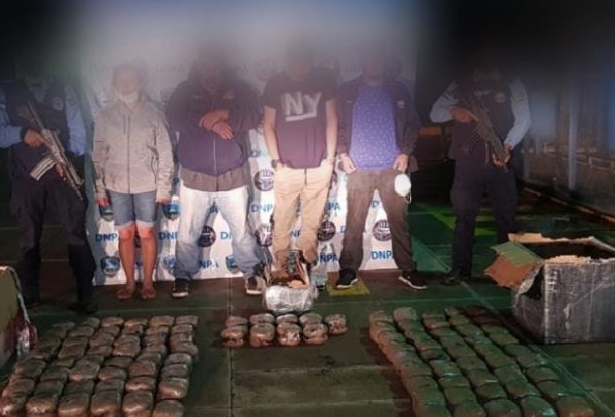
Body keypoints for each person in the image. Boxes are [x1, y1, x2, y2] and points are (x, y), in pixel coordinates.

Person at [0, 50, 97, 314]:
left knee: (75, 234)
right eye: (29, 62)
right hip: (26, 176)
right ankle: (30, 295)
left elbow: (79, 132)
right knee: (28, 238)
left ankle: (85, 294)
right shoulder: (7, 93)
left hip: (61, 174)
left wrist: (66, 159)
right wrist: (22, 134)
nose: (35, 67)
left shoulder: (63, 90)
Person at [166, 44, 266, 298]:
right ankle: (182, 276)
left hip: (232, 175)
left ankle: (251, 273)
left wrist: (226, 114)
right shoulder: (185, 89)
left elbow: (254, 115)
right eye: (206, 65)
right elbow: (174, 117)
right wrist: (206, 122)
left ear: (223, 66)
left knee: (241, 232)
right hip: (195, 177)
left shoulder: (239, 88)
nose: (210, 70)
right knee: (187, 233)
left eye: (215, 65)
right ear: (198, 65)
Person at [429, 52, 531, 285]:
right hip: (468, 164)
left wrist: (507, 145)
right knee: (464, 217)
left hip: (500, 161)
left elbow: (524, 120)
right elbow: (435, 113)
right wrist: (454, 111)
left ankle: (508, 271)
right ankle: (460, 268)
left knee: (506, 217)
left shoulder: (511, 83)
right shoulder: (459, 84)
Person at [334, 45, 427, 291]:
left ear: (384, 63)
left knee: (399, 221)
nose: (374, 64)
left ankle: (408, 269)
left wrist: (405, 152)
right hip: (358, 168)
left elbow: (413, 123)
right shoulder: (347, 90)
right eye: (369, 59)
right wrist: (342, 153)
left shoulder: (398, 89)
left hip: (393, 168)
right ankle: (348, 269)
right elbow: (338, 124)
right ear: (363, 62)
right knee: (354, 222)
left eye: (378, 60)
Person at [92, 63, 174, 301]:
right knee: (125, 234)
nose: (126, 85)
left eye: (130, 80)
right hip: (116, 185)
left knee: (147, 233)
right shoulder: (105, 115)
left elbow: (165, 152)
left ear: (139, 82)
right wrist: (100, 188)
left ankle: (148, 282)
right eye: (121, 81)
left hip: (147, 184)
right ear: (114, 84)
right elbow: (98, 154)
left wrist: (164, 187)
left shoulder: (154, 113)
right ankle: (129, 283)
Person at [262, 41, 338, 286]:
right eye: (295, 63)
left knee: (312, 223)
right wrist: (276, 161)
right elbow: (268, 125)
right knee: (282, 222)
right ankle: (281, 269)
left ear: (310, 62)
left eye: (304, 63)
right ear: (287, 61)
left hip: (319, 165)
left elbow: (332, 119)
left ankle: (307, 266)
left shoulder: (323, 80)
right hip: (287, 167)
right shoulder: (275, 83)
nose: (300, 68)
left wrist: (330, 159)